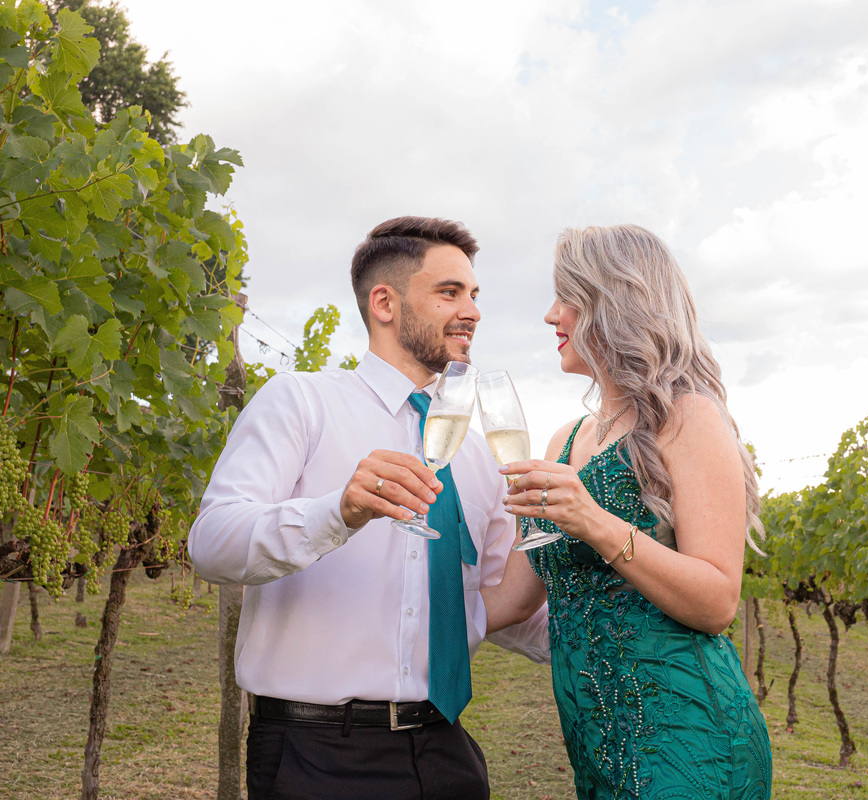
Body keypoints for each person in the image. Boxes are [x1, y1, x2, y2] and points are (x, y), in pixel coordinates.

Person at [189, 216, 547, 800]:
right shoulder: (300, 402)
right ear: (384, 301)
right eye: (450, 292)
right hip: (315, 756)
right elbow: (211, 545)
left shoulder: (477, 455)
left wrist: (620, 631)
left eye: (476, 295)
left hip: (446, 750)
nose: (474, 311)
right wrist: (340, 512)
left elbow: (498, 604)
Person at [482, 224, 773, 799]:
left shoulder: (688, 418)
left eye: (566, 297)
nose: (549, 316)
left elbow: (717, 601)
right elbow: (511, 602)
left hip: (691, 741)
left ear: (612, 303)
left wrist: (592, 520)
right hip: (598, 746)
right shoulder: (564, 441)